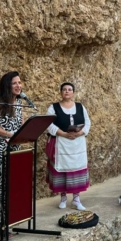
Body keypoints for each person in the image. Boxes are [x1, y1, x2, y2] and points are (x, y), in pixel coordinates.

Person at [0, 71, 24, 239]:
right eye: (14, 83)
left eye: (20, 82)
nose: (18, 86)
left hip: (14, 150)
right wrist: (10, 134)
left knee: (10, 189)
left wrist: (22, 134)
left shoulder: (20, 102)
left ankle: (5, 226)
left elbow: (21, 123)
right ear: (7, 85)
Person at [46, 82, 91, 210]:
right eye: (64, 89)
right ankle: (63, 198)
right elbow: (49, 124)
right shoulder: (53, 107)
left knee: (76, 170)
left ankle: (76, 199)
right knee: (63, 171)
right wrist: (64, 134)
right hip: (61, 144)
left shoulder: (80, 107)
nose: (67, 91)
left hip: (77, 145)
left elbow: (87, 123)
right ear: (61, 92)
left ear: (73, 93)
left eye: (69, 89)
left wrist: (79, 133)